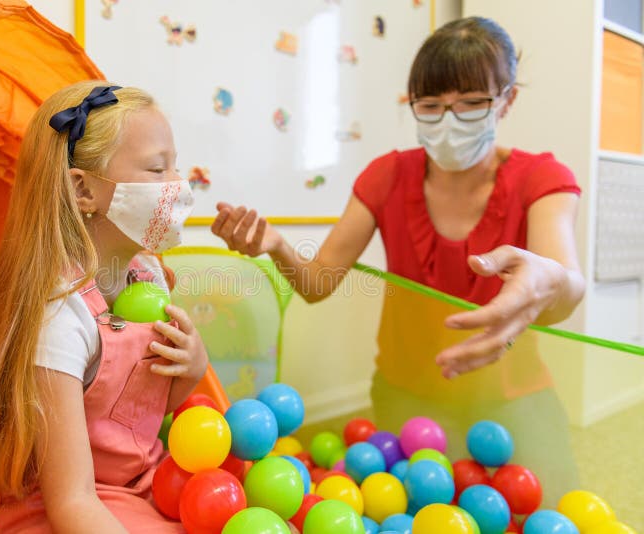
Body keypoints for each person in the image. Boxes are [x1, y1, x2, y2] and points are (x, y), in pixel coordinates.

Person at [212, 17, 584, 506]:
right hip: (409, 393)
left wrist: (549, 281)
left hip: (514, 395)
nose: (449, 120)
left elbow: (566, 288)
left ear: (507, 99)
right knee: (416, 506)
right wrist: (278, 246)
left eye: (471, 103)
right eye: (431, 106)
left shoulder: (542, 178)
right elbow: (318, 282)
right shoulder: (387, 176)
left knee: (549, 505)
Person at [0, 81, 206, 533]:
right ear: (83, 191)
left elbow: (132, 418)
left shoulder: (149, 275)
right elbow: (72, 502)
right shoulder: (60, 316)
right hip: (66, 505)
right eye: (156, 169)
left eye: (174, 166)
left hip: (141, 482)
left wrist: (191, 370)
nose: (177, 185)